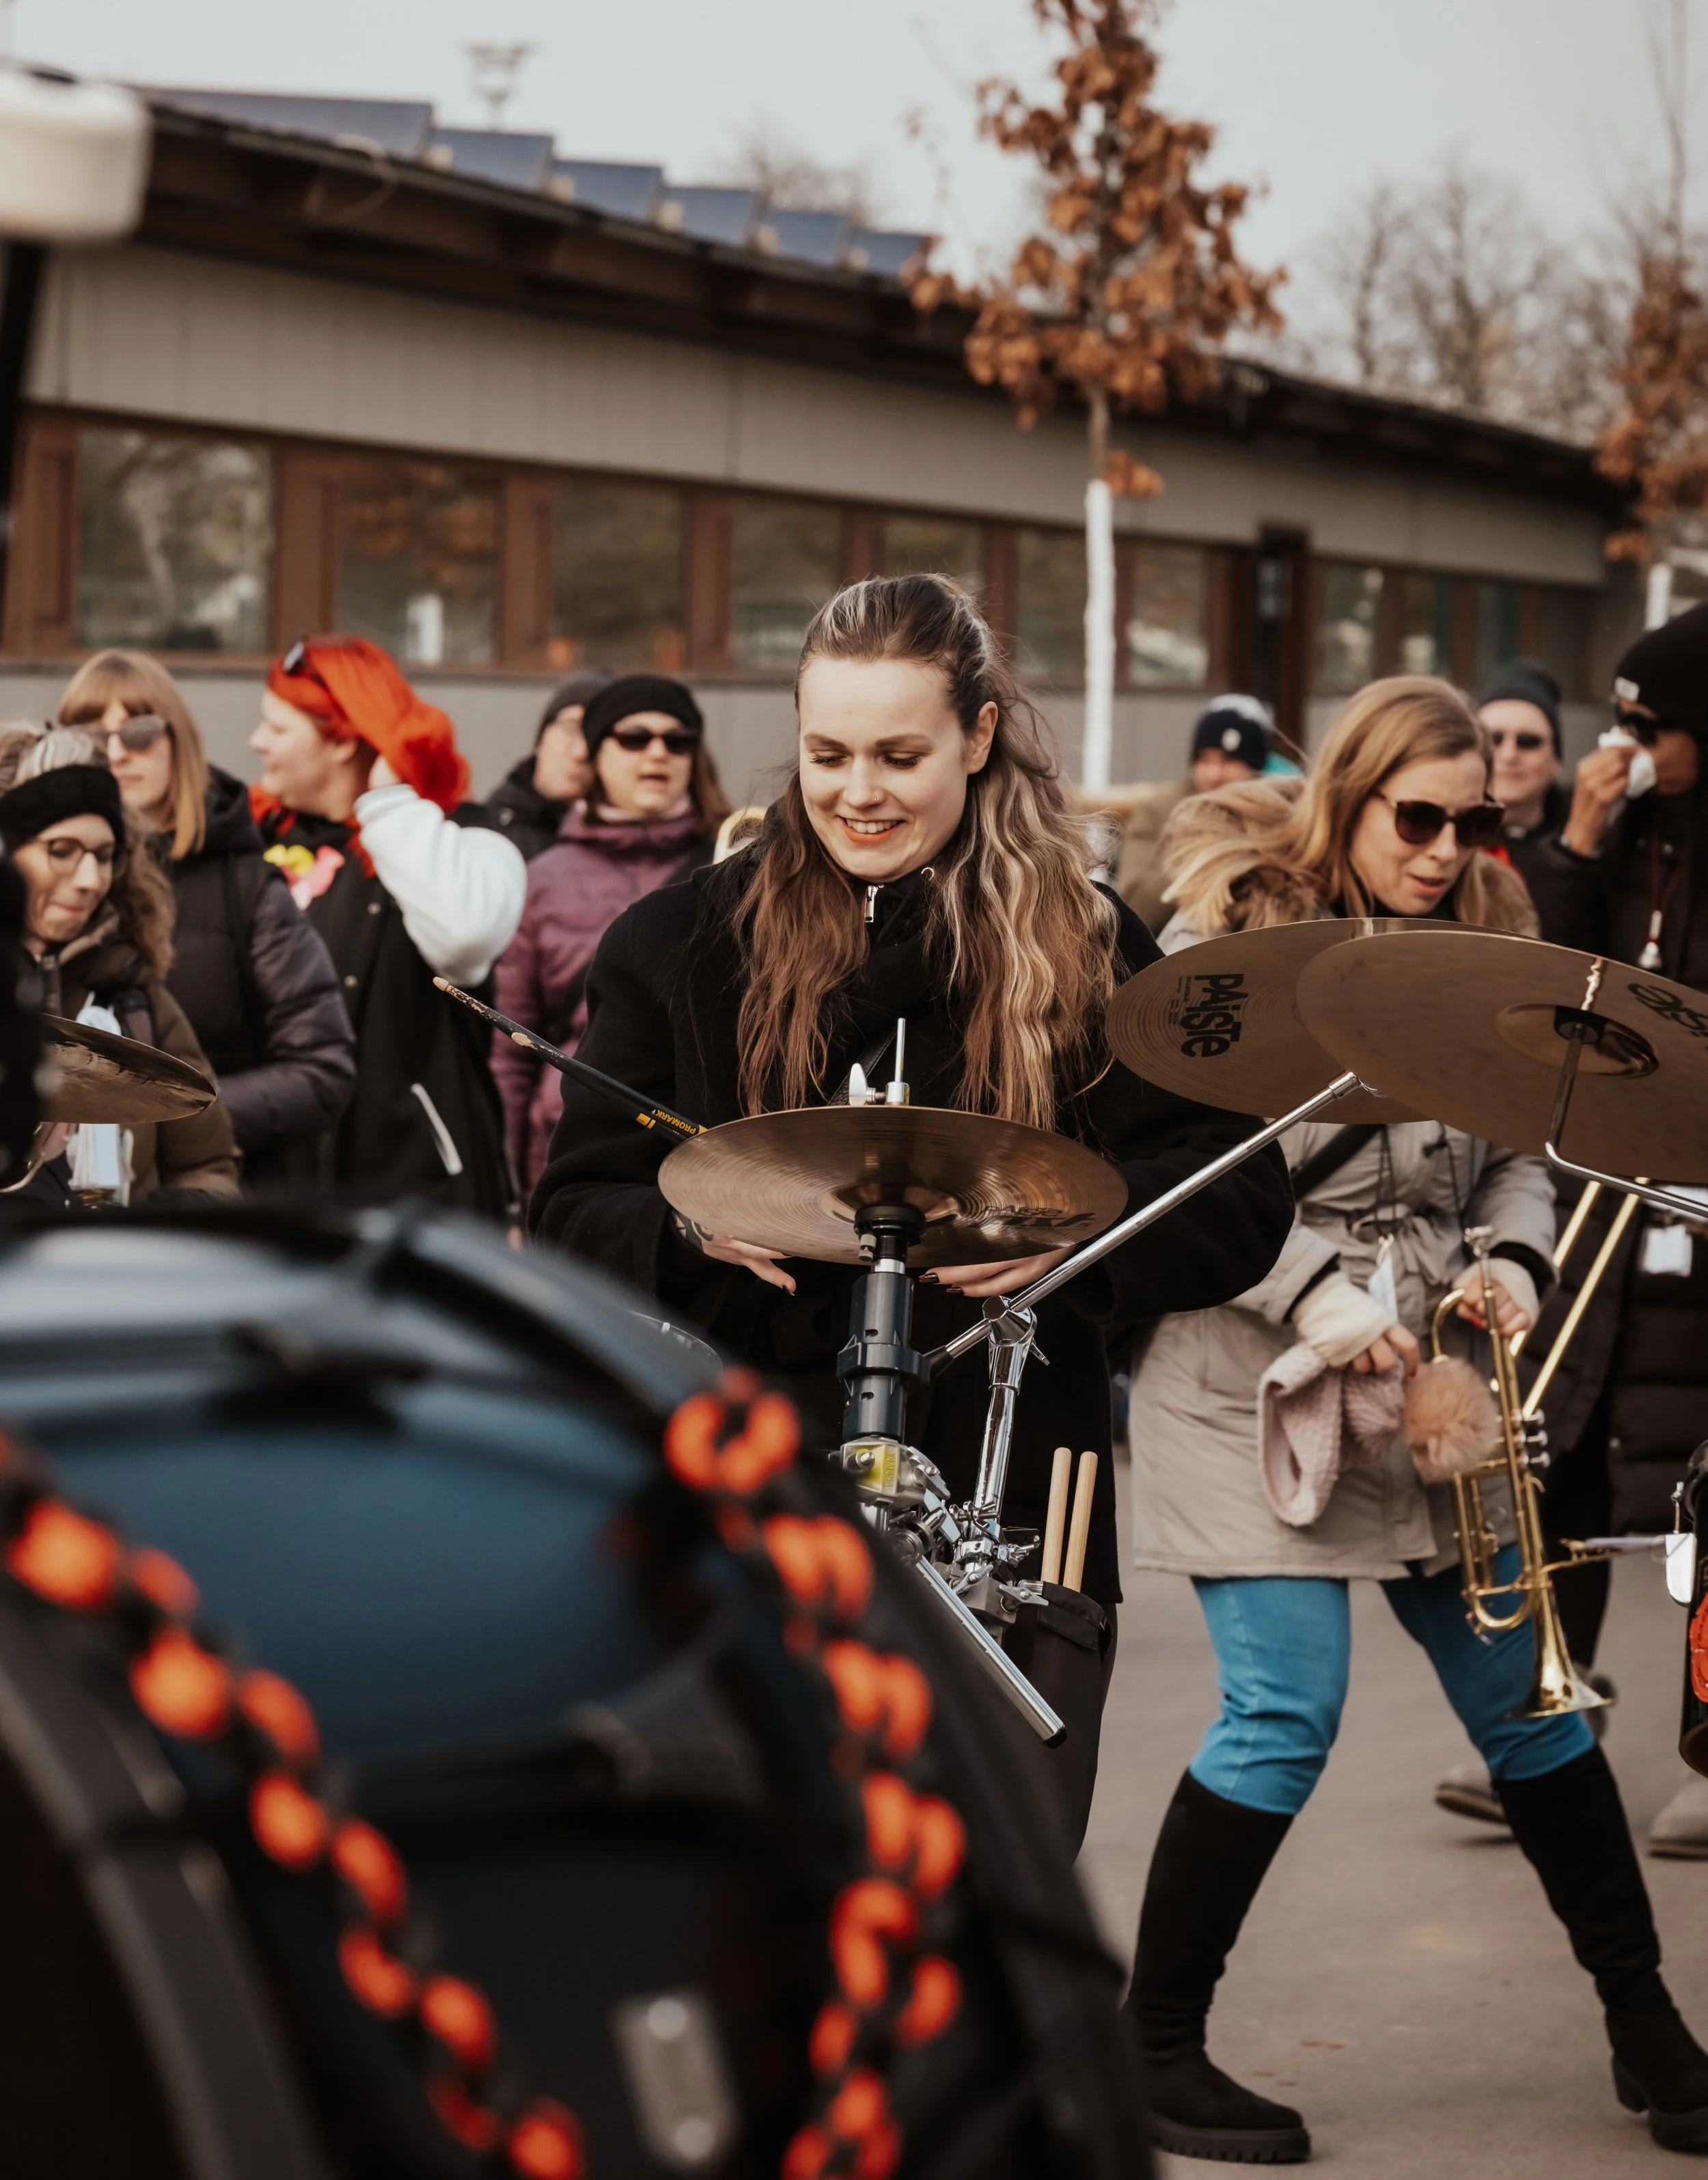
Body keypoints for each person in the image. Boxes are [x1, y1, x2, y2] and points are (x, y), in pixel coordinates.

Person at [529, 575, 1295, 1847]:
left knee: (999, 1911)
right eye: (828, 754)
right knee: (781, 1912)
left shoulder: (1086, 942)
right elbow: (571, 1207)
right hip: (750, 1494)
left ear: (980, 739)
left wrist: (1080, 1241)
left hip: (1021, 1500)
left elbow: (1237, 1192)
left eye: (900, 754)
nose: (857, 792)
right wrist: (684, 1228)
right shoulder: (679, 942)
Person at [1123, 673, 1708, 2164]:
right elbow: (1180, 1167)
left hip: (1437, 1379)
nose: (1447, 847)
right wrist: (1318, 1296)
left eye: (1474, 822)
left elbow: (1530, 1146)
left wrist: (1511, 1258)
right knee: (1281, 1709)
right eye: (1418, 817)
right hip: (1251, 1377)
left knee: (1532, 1704)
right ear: (1349, 793)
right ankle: (1153, 2048)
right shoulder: (1229, 947)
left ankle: (1647, 2033)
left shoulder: (1490, 945)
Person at [1513, 598, 1708, 1861]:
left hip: (1698, 1200)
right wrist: (1579, 842)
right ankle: (1556, 1713)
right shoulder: (1620, 830)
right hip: (1604, 1198)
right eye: (1619, 715)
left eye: (1653, 721)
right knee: (1572, 1447)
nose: (1626, 740)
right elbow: (1538, 983)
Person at [57, 650, 356, 1192]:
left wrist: (176, 1120)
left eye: (141, 730)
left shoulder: (244, 883)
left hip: (217, 1209)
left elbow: (321, 1069)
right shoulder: (39, 888)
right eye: (93, 734)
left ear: (178, 742)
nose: (118, 751)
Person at [248, 636, 525, 1216]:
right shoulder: (259, 847)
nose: (256, 743)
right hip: (279, 1198)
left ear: (343, 738)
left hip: (419, 1208)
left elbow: (466, 938)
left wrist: (390, 803)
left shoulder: (463, 840)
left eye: (276, 728)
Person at [494, 675, 726, 1199]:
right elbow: (510, 1049)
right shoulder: (541, 879)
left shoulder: (737, 861)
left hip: (709, 1154)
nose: (658, 753)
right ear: (596, 754)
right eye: (634, 737)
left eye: (678, 739)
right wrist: (508, 1200)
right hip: (574, 1154)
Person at [0, 727, 239, 1203]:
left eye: (105, 856)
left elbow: (208, 1166)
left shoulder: (135, 996)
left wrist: (162, 1223)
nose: (90, 880)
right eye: (62, 851)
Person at [1114, 694, 1271, 930]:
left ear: (1255, 768)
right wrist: (1200, 852)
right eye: (1205, 760)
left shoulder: (1274, 816)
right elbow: (1136, 909)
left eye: (1229, 762)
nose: (1214, 774)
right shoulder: (1159, 813)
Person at [486, 669, 613, 863]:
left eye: (596, 738)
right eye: (572, 728)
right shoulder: (484, 831)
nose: (581, 752)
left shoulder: (619, 844)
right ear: (541, 737)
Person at [1477, 655, 1568, 899]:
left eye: (1528, 742)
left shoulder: (1589, 847)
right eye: (1493, 739)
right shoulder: (1437, 841)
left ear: (1557, 760)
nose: (1509, 755)